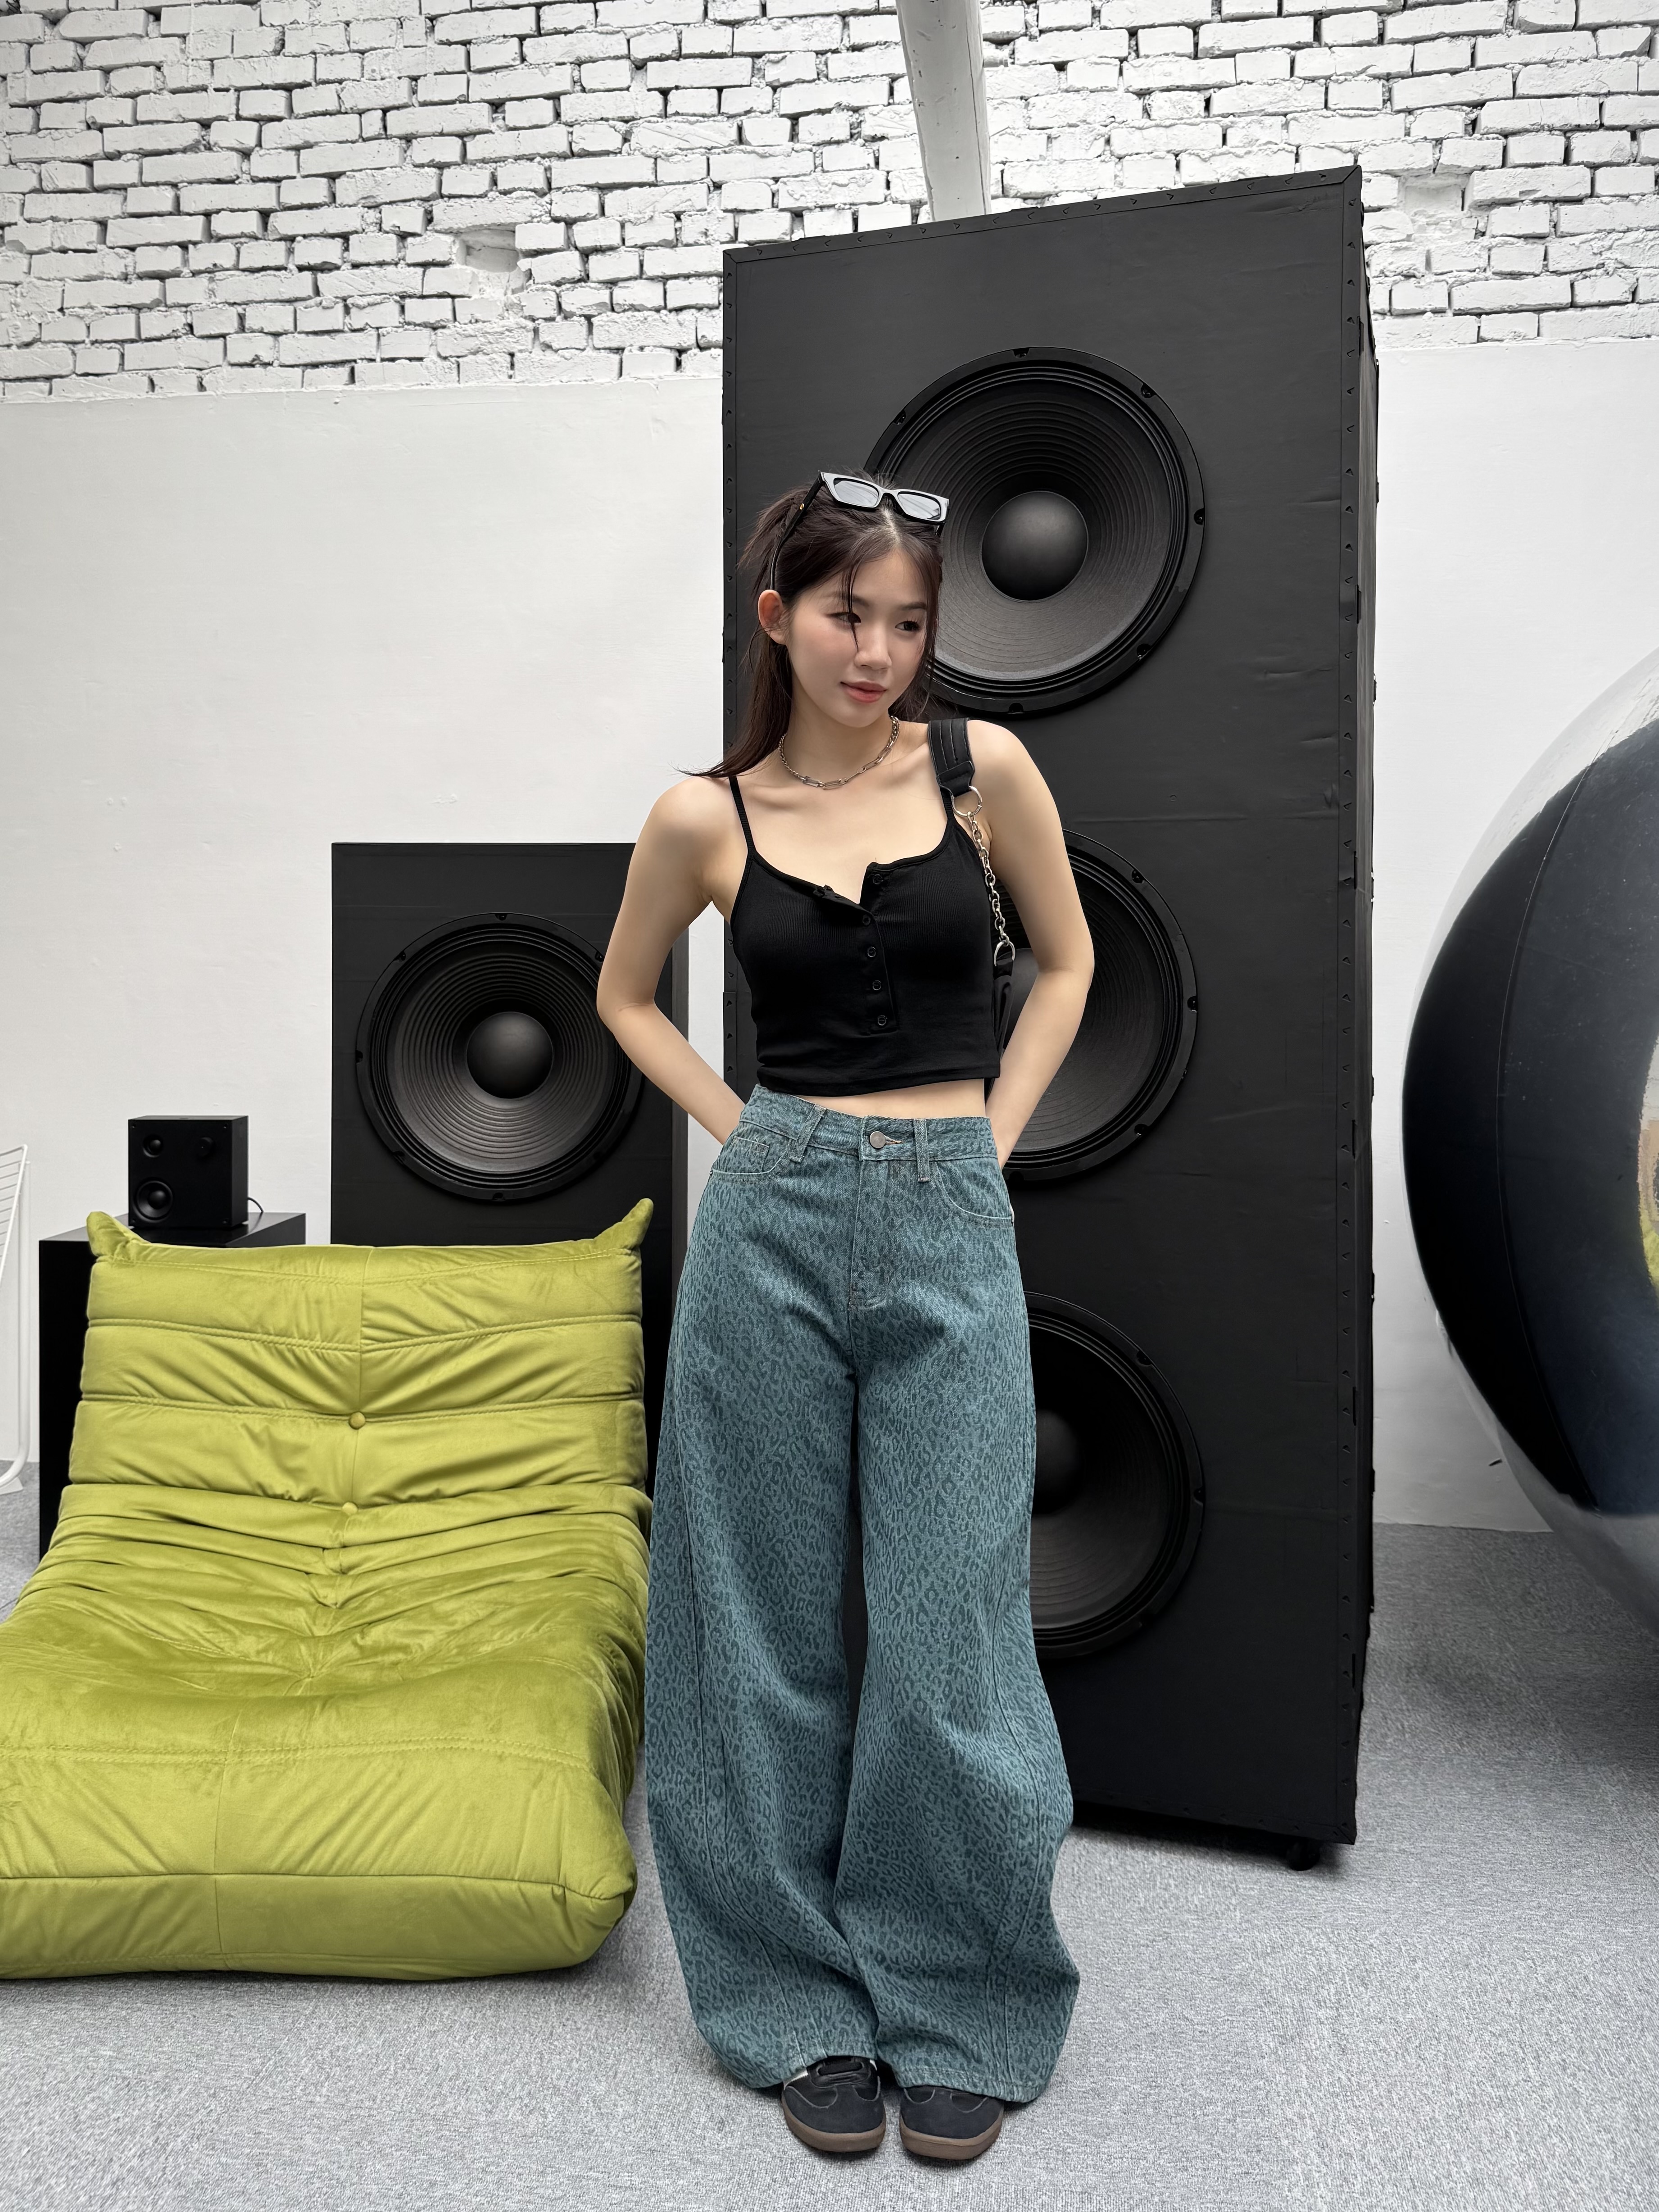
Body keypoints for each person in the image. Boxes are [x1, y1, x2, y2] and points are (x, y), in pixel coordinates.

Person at [595, 469, 1095, 2165]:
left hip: (949, 1206)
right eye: (845, 615)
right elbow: (622, 998)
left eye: (907, 622)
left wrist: (986, 1142)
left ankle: (957, 1999)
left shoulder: (981, 772)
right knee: (755, 1620)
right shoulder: (702, 817)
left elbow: (1069, 965)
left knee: (954, 1627)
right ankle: (792, 1998)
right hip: (776, 1222)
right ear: (778, 619)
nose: (877, 650)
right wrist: (744, 1130)